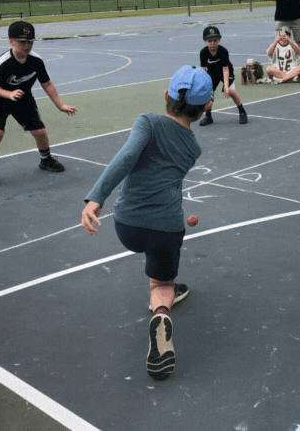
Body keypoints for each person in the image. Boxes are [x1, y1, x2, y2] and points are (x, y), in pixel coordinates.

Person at [81, 65, 214, 381]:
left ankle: (163, 297)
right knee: (161, 284)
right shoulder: (193, 148)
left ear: (166, 95)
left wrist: (96, 198)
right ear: (207, 106)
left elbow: (127, 158)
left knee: (147, 248)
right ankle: (161, 312)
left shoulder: (147, 122)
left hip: (127, 225)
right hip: (165, 227)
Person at [0, 21, 77, 189]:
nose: (27, 45)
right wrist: (9, 94)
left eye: (30, 41)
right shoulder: (3, 62)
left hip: (23, 99)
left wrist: (60, 105)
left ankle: (46, 160)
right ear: (11, 41)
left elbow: (46, 84)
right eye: (22, 41)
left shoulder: (36, 61)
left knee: (40, 132)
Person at [197, 26, 248, 126]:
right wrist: (203, 84)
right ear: (205, 41)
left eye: (215, 40)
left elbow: (225, 69)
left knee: (231, 91)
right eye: (209, 40)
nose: (212, 43)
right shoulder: (203, 53)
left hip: (226, 72)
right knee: (209, 93)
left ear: (219, 40)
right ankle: (208, 116)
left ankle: (242, 111)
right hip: (212, 73)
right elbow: (203, 70)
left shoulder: (223, 51)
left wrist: (225, 86)